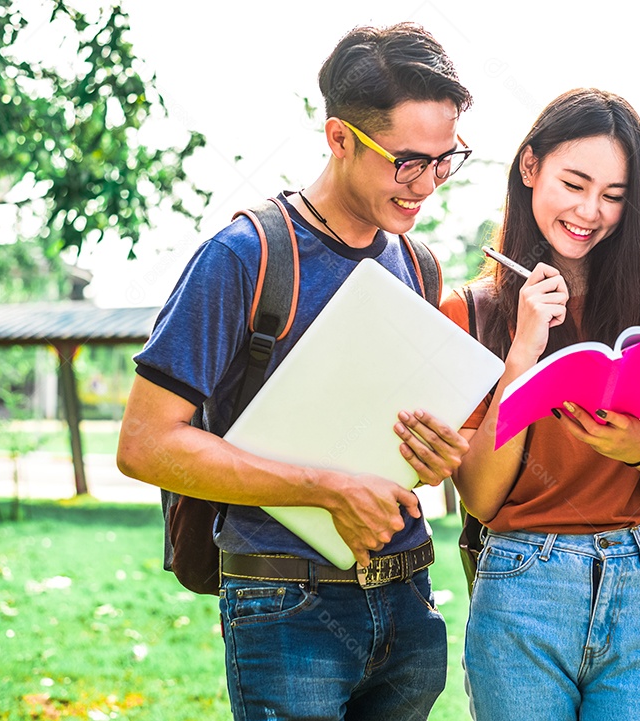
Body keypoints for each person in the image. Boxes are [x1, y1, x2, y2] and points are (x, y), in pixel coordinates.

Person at [116, 23, 473, 721]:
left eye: (445, 160)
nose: (427, 186)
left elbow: (388, 446)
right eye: (406, 162)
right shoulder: (243, 256)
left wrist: (430, 456)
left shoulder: (421, 266)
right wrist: (325, 487)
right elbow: (145, 443)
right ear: (340, 138)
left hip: (408, 599)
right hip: (286, 605)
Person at [440, 88, 640, 721]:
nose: (591, 211)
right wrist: (523, 352)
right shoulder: (470, 312)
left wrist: (639, 449)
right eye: (574, 183)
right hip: (522, 580)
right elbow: (479, 497)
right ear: (530, 167)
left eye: (614, 195)